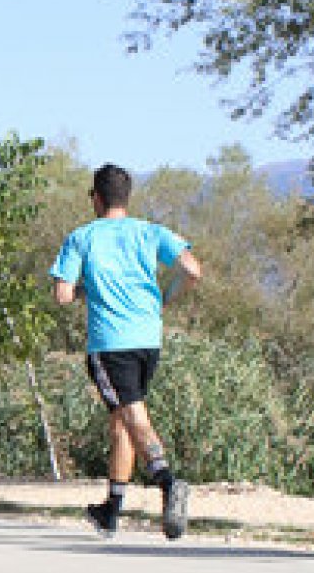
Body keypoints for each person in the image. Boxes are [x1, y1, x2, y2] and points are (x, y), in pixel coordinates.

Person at [50, 162, 202, 539]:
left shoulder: (82, 237)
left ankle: (168, 482)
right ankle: (111, 509)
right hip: (148, 339)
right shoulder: (150, 232)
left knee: (133, 415)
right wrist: (165, 297)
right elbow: (192, 270)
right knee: (121, 420)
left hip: (110, 343)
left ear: (96, 199)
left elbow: (62, 295)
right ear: (126, 198)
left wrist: (85, 289)